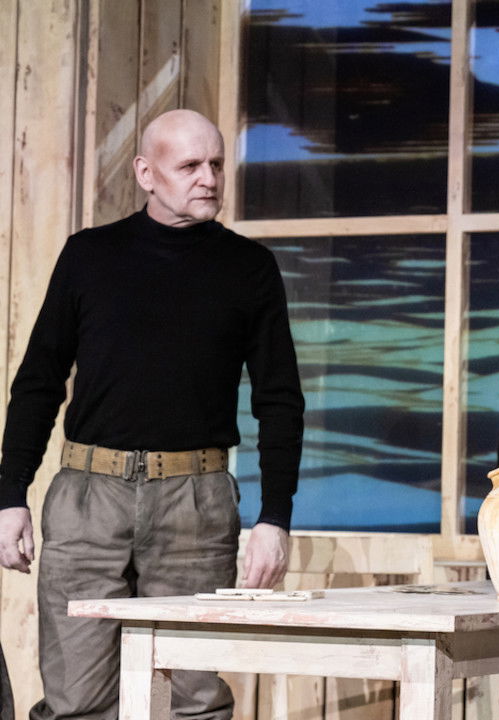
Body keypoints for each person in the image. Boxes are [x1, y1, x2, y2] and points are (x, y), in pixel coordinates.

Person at [0, 109, 304, 720]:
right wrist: (10, 495)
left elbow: (279, 398)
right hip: (89, 497)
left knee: (192, 701)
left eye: (216, 164)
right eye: (189, 165)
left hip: (194, 503)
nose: (208, 178)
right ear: (146, 173)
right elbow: (38, 381)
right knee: (77, 701)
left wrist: (275, 517)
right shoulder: (90, 255)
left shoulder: (248, 267)